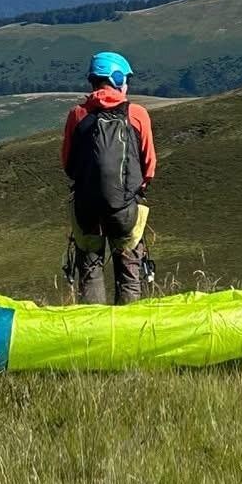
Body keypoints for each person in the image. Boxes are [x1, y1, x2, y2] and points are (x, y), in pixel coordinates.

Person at [60, 49, 157, 305]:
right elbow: (149, 166)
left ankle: (93, 336)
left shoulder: (77, 115)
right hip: (125, 209)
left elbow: (67, 164)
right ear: (116, 78)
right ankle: (130, 333)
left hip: (86, 209)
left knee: (90, 271)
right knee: (129, 272)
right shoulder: (137, 114)